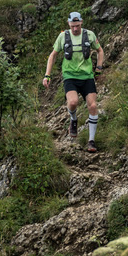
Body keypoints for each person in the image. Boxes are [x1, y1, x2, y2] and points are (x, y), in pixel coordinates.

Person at [42, 11, 104, 152]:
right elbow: (53, 55)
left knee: (93, 106)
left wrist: (99, 68)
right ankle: (73, 119)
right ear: (69, 24)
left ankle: (91, 141)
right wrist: (47, 75)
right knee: (72, 102)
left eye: (77, 25)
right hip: (70, 76)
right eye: (72, 26)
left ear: (81, 23)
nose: (75, 29)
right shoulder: (63, 37)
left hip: (87, 76)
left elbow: (100, 51)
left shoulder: (89, 35)